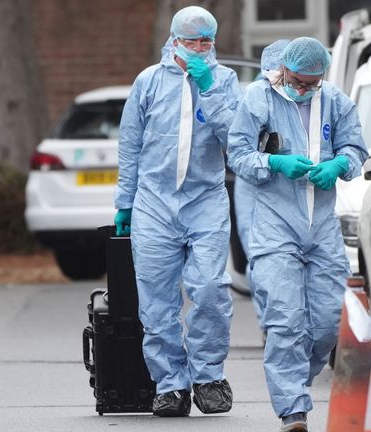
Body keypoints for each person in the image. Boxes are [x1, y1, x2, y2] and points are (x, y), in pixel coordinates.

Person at [227, 37, 368, 432]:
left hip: (322, 227)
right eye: (298, 82)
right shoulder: (259, 98)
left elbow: (356, 148)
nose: (304, 89)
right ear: (284, 70)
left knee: (326, 322)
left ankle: (293, 380)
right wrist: (273, 161)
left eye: (312, 83)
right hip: (275, 224)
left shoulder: (337, 101)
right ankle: (293, 410)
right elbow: (238, 154)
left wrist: (339, 163)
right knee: (285, 319)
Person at [113, 6, 238, 417]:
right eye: (192, 41)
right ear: (174, 40)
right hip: (154, 202)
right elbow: (130, 145)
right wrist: (125, 202)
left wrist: (211, 91)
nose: (200, 49)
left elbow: (235, 139)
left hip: (205, 200)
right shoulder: (148, 81)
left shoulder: (224, 80)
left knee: (209, 289)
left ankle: (208, 377)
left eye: (206, 41)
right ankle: (170, 384)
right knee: (156, 298)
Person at [234, 39, 291, 335]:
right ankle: (270, 326)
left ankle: (287, 324)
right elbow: (238, 150)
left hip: (292, 185)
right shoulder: (252, 97)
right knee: (258, 256)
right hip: (252, 183)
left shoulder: (308, 95)